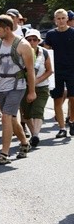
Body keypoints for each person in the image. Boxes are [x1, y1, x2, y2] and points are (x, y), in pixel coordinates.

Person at [0, 15, 35, 165]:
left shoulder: (23, 45)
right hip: (2, 85)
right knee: (10, 118)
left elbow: (30, 70)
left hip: (18, 85)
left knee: (6, 116)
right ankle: (24, 143)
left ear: (7, 29)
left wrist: (32, 91)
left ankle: (4, 153)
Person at [44, 8, 74, 138]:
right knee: (57, 99)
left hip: (72, 70)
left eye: (63, 18)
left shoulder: (73, 32)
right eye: (58, 18)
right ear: (55, 20)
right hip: (56, 72)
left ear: (67, 19)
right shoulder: (51, 34)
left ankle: (72, 121)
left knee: (73, 98)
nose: (61, 21)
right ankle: (62, 128)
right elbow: (46, 52)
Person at [20, 29, 52, 147]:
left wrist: (37, 80)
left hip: (42, 87)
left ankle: (36, 135)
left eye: (35, 39)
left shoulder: (44, 52)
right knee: (27, 113)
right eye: (29, 39)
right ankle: (34, 135)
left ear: (39, 41)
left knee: (38, 111)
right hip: (24, 87)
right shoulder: (21, 52)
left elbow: (50, 70)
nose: (32, 42)